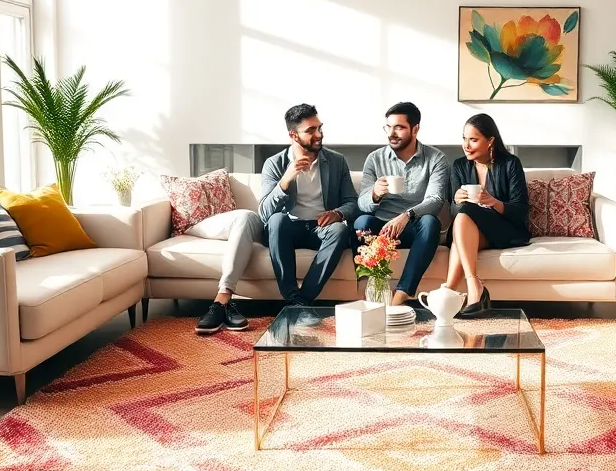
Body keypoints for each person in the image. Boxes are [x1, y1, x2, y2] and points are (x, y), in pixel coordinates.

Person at [258, 104, 358, 306]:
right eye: (310, 131)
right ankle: (292, 294)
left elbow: (352, 202)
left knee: (339, 230)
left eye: (319, 128)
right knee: (277, 220)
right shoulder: (274, 163)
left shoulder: (336, 161)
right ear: (294, 136)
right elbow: (264, 213)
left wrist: (338, 213)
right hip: (288, 230)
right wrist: (285, 181)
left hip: (320, 229)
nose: (319, 134)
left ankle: (300, 301)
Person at [355, 102, 449, 306]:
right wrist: (374, 194)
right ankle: (368, 290)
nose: (392, 133)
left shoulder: (436, 159)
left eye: (399, 127)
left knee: (431, 223)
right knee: (362, 222)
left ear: (415, 129)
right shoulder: (374, 159)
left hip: (414, 228)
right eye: (388, 127)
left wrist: (406, 216)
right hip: (381, 229)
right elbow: (361, 203)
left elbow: (435, 201)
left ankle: (402, 293)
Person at [445, 113, 530, 318]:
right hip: (472, 231)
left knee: (464, 222)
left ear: (490, 141)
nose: (466, 145)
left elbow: (520, 211)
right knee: (462, 219)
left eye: (473, 140)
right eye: (464, 138)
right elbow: (454, 214)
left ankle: (454, 291)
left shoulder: (510, 164)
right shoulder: (459, 166)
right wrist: (456, 201)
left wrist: (494, 202)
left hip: (503, 229)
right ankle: (462, 292)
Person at [188, 209, 264, 335]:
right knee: (245, 217)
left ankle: (223, 306)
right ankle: (222, 299)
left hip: (249, 217)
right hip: (199, 219)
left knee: (248, 217)